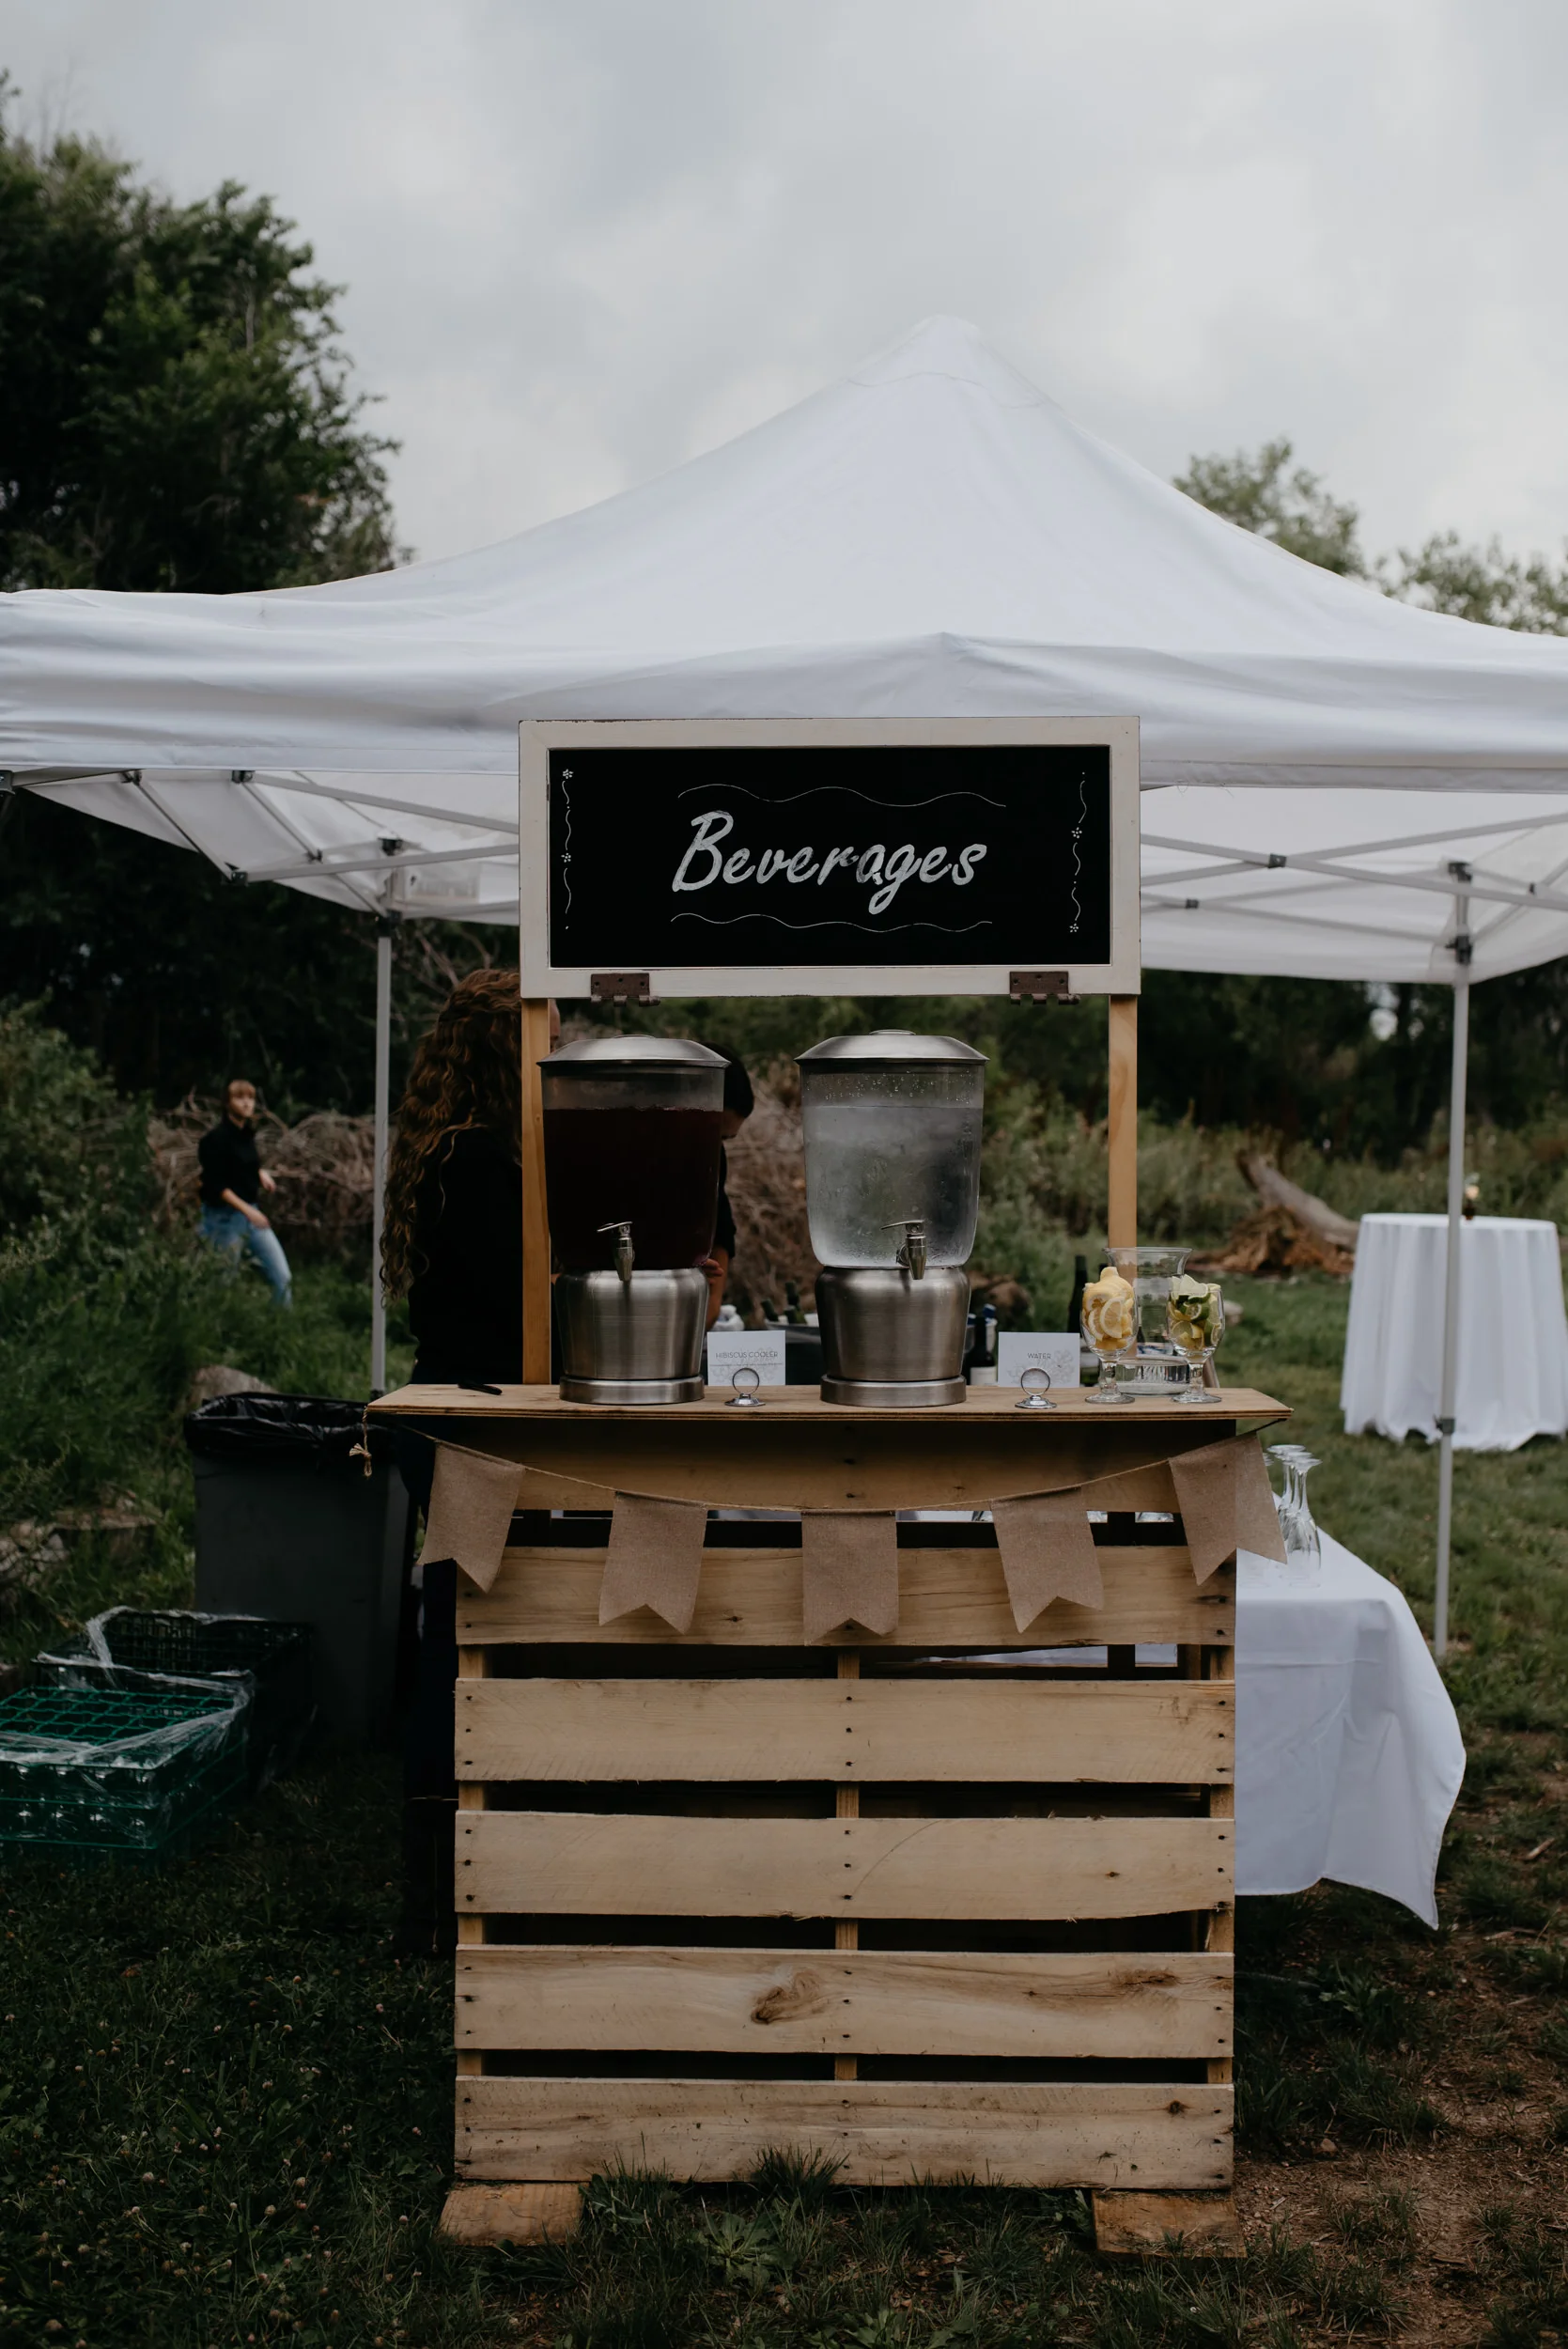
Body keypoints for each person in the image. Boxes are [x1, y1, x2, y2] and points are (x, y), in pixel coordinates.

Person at [380, 968, 556, 1957]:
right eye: (543, 1036)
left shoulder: (450, 1150)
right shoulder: (484, 1164)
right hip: (468, 1430)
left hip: (449, 1416)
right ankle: (439, 1906)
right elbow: (516, 1306)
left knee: (463, 1633)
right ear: (507, 1046)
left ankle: (470, 1877)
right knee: (460, 1646)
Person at [381, 970, 558, 1386]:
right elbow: (512, 1299)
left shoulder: (471, 1146)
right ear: (507, 1050)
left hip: (475, 1387)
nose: (556, 1058)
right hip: (472, 1403)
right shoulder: (469, 1157)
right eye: (548, 1044)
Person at [197, 1079, 292, 1306]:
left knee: (283, 1278)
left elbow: (241, 1163)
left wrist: (260, 1174)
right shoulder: (215, 1140)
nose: (247, 1103)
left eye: (250, 1098)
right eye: (240, 1098)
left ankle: (281, 1333)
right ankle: (213, 1333)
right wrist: (249, 1211)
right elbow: (216, 1185)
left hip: (252, 1218)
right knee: (221, 1284)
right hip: (224, 1220)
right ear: (227, 1103)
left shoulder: (246, 1135)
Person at [706, 1050, 755, 1328]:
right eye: (714, 1133)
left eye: (725, 1139)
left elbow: (721, 1221)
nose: (716, 1144)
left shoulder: (714, 1156)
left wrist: (713, 1302)